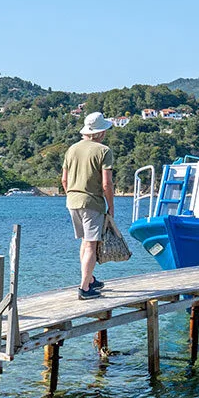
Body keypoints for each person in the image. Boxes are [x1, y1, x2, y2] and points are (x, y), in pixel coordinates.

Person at [61, 111, 116, 299]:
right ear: (100, 132)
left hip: (72, 201)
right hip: (92, 202)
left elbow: (64, 180)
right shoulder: (103, 151)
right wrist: (111, 206)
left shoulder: (71, 149)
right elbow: (107, 184)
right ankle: (84, 288)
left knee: (85, 241)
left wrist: (72, 194)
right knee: (92, 244)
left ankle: (90, 278)